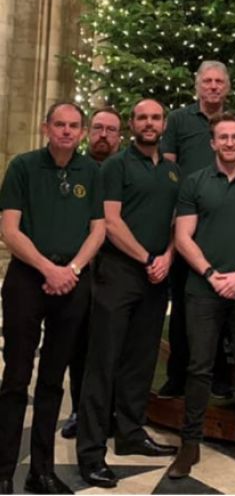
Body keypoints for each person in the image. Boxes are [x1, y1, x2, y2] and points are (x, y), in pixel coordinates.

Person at [0, 101, 105, 496]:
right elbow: (9, 229)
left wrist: (72, 270)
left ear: (81, 132)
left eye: (73, 126)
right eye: (59, 124)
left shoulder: (91, 172)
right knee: (15, 377)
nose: (66, 131)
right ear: (46, 128)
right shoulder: (24, 167)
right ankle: (4, 469)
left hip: (71, 283)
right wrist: (48, 269)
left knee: (52, 382)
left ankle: (41, 471)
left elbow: (98, 230)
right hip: (28, 281)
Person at [77, 99, 179, 487]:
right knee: (103, 364)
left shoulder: (172, 172)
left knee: (140, 360)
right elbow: (111, 221)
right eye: (142, 118)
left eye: (155, 118)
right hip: (118, 274)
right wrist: (147, 257)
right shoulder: (117, 166)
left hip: (155, 278)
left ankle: (131, 434)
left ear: (163, 123)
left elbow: (176, 222)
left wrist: (167, 257)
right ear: (131, 125)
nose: (149, 123)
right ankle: (90, 452)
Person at [169, 112, 235, 480]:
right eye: (222, 137)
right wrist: (212, 275)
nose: (229, 143)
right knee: (198, 367)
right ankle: (189, 443)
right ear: (213, 143)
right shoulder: (194, 182)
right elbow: (182, 237)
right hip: (202, 290)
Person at [160, 60, 231, 399]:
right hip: (185, 220)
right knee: (184, 306)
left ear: (227, 88)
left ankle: (218, 373)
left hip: (222, 221)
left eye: (219, 82)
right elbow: (169, 167)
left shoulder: (233, 123)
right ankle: (177, 375)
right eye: (208, 81)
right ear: (198, 85)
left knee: (221, 306)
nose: (214, 87)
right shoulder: (178, 119)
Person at [61, 107, 124, 441]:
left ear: (119, 136)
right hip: (80, 269)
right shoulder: (75, 169)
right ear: (88, 133)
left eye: (110, 130)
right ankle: (77, 410)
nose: (103, 135)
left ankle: (111, 410)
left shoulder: (124, 169)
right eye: (98, 128)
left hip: (118, 271)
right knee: (79, 344)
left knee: (112, 345)